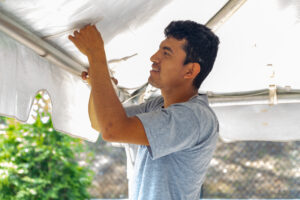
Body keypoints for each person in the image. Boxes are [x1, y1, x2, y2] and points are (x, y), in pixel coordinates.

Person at [69, 20, 220, 200]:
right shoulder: (156, 106)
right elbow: (101, 124)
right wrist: (98, 83)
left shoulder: (195, 117)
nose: (154, 57)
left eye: (166, 53)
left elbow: (113, 129)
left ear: (190, 71)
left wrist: (96, 55)